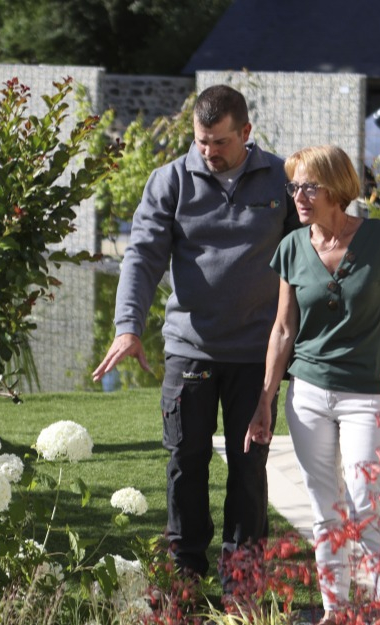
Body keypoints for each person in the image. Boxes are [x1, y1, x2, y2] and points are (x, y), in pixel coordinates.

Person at [91, 85, 299, 580]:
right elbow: (141, 256)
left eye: (220, 142)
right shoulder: (170, 181)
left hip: (257, 353)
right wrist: (127, 327)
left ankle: (243, 576)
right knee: (187, 460)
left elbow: (310, 251)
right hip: (191, 349)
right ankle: (184, 574)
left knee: (249, 467)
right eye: (201, 141)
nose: (208, 152)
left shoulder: (281, 179)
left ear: (245, 133)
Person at [244, 144, 380, 623]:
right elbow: (282, 330)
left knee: (365, 507)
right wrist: (265, 400)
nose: (298, 196)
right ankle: (336, 611)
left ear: (338, 189)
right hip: (309, 396)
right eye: (294, 186)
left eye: (309, 186)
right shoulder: (292, 248)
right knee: (325, 509)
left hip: (368, 396)